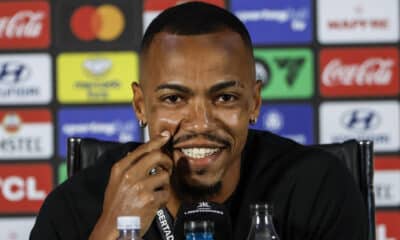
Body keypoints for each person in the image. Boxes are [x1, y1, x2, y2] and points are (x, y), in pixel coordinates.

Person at [30, 2, 368, 240]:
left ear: (255, 102)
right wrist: (110, 230)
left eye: (225, 98)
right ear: (140, 105)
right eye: (174, 99)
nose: (201, 123)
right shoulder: (77, 206)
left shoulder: (316, 189)